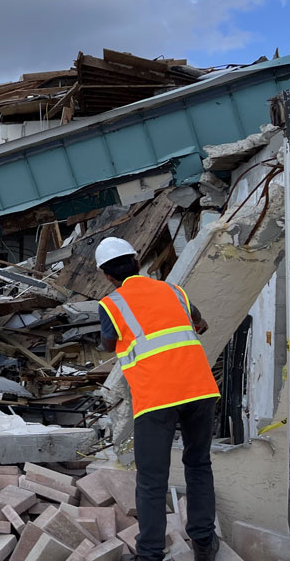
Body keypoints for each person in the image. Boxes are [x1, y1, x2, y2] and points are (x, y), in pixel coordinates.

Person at [94, 237, 221, 561]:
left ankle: (150, 554)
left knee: (152, 480)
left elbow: (109, 344)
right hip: (199, 390)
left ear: (107, 276)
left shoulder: (112, 304)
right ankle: (204, 544)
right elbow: (199, 320)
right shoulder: (174, 291)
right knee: (198, 464)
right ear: (137, 263)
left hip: (156, 398)